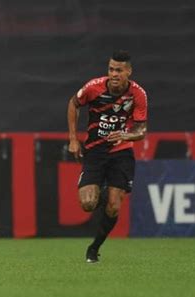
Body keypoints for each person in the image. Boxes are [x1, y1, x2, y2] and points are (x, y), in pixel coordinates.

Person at [67, 50, 148, 263]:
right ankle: (105, 190)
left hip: (121, 152)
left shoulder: (138, 94)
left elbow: (141, 131)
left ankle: (94, 248)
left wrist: (125, 134)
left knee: (113, 206)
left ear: (129, 72)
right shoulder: (94, 88)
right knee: (87, 204)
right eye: (111, 69)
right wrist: (74, 139)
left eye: (119, 70)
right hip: (95, 151)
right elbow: (73, 104)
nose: (114, 74)